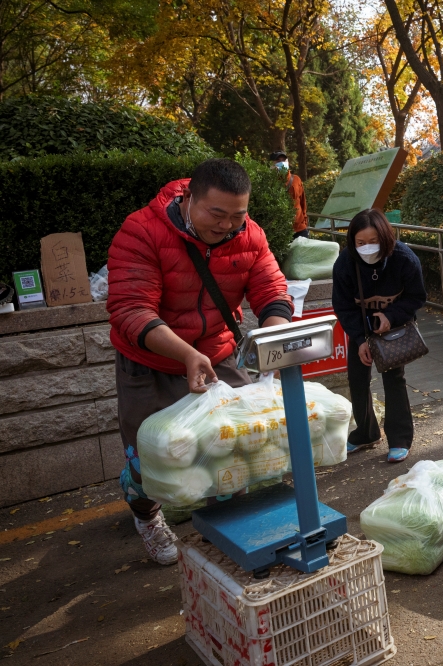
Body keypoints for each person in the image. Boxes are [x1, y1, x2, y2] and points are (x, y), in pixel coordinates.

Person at [107, 158, 293, 565]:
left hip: (217, 353)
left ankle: (229, 527)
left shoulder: (251, 236)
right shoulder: (141, 230)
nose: (227, 225)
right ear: (189, 197)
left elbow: (272, 290)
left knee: (237, 446)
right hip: (149, 360)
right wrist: (187, 354)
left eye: (237, 215)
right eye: (216, 213)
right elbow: (131, 309)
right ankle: (147, 515)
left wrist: (271, 339)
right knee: (151, 460)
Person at [331, 209, 427, 463]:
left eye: (373, 241)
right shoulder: (345, 264)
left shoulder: (404, 259)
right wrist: (361, 339)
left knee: (394, 377)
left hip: (394, 327)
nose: (367, 248)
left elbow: (417, 296)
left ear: (385, 238)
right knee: (357, 377)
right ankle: (366, 432)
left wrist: (391, 316)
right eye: (360, 243)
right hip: (360, 327)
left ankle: (400, 439)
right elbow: (342, 306)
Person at [269, 150, 310, 239]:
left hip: (300, 229)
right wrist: (272, 175)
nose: (281, 163)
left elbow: (303, 202)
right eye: (278, 161)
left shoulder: (296, 179)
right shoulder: (269, 181)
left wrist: (305, 222)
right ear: (273, 164)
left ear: (288, 162)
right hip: (281, 231)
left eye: (284, 160)